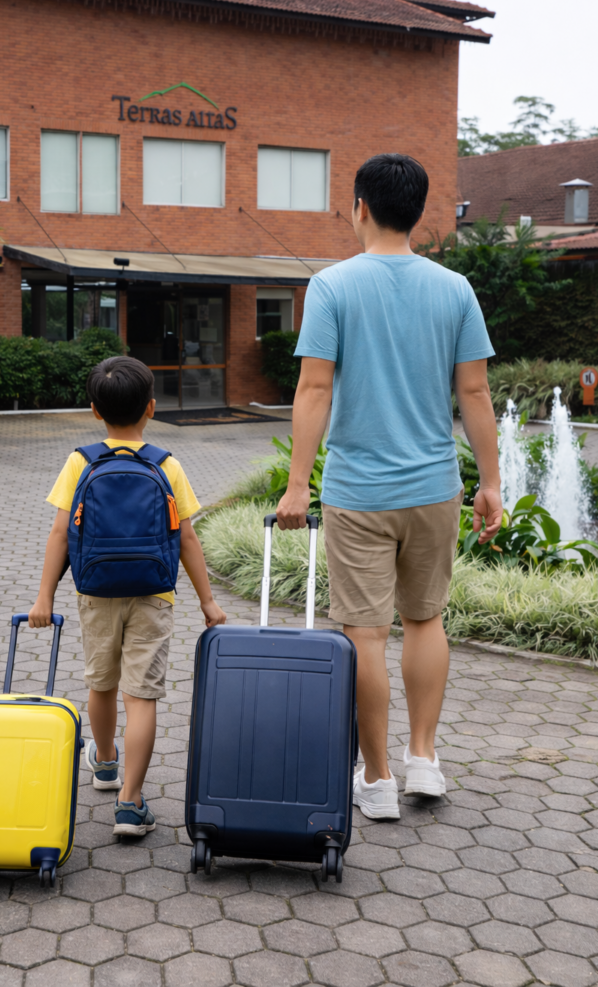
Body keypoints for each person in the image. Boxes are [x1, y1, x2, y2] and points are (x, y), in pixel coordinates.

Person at [276, 153, 502, 820]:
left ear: (360, 208)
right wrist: (490, 482)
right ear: (420, 212)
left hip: (358, 491)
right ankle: (424, 759)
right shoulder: (454, 289)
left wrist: (296, 486)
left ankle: (374, 782)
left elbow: (315, 387)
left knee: (365, 635)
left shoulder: (332, 286)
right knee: (425, 618)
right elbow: (476, 391)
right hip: (434, 485)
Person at [29, 356, 226, 835]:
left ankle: (107, 762)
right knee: (142, 697)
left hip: (95, 591)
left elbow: (59, 534)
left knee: (102, 684)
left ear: (95, 411)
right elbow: (188, 539)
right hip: (155, 594)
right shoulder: (166, 464)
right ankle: (130, 802)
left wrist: (44, 598)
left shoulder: (81, 460)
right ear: (152, 408)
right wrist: (208, 601)